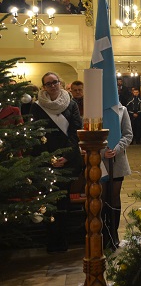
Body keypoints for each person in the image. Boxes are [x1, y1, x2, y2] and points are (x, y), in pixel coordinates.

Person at [30, 72, 83, 253]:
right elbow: (36, 135)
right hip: (47, 161)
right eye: (48, 84)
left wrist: (66, 156)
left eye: (55, 82)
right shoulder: (37, 107)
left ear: (60, 83)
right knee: (49, 201)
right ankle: (52, 240)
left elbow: (76, 132)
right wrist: (49, 158)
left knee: (63, 200)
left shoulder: (71, 104)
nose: (52, 86)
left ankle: (63, 239)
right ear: (43, 87)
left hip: (69, 161)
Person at [101, 103, 132, 251]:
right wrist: (102, 151)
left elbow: (128, 134)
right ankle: (103, 234)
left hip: (117, 160)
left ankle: (113, 233)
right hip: (99, 162)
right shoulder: (93, 109)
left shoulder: (122, 110)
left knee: (114, 197)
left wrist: (116, 148)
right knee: (101, 198)